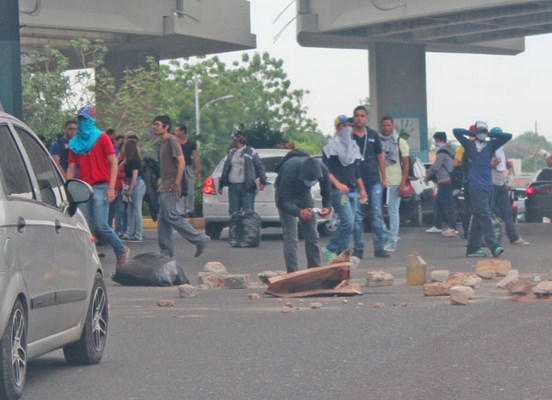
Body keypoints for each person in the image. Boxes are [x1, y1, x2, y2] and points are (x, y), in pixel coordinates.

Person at [66, 106, 129, 269]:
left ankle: (121, 250)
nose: (82, 122)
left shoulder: (102, 138)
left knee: (101, 226)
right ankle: (90, 261)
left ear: (92, 120)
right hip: (83, 189)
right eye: (80, 119)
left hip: (101, 187)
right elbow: (72, 167)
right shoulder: (74, 143)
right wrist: (68, 189)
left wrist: (111, 188)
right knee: (86, 227)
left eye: (85, 119)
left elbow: (114, 162)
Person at [153, 115, 210, 258]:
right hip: (165, 185)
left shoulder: (172, 141)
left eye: (158, 124)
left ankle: (200, 239)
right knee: (163, 220)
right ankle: (166, 254)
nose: (155, 127)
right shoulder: (163, 143)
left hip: (171, 185)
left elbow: (182, 162)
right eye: (154, 124)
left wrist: (177, 182)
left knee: (171, 216)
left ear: (166, 127)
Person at [453, 120, 512, 258]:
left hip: (488, 185)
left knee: (480, 215)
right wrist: (472, 133)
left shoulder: (490, 145)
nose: (481, 134)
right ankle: (494, 245)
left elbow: (507, 136)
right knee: (485, 215)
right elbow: (456, 131)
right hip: (475, 185)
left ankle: (472, 248)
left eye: (483, 131)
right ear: (475, 132)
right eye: (480, 131)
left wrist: (489, 133)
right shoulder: (469, 145)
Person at [322, 115, 368, 261]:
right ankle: (330, 248)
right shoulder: (330, 148)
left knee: (350, 225)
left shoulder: (354, 148)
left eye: (349, 125)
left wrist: (363, 189)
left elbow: (357, 171)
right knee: (347, 222)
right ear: (337, 127)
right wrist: (338, 184)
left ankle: (343, 256)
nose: (347, 128)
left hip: (353, 192)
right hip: (340, 194)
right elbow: (326, 171)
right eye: (344, 125)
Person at [275, 154, 332, 273]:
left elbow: (327, 192)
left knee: (312, 233)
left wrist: (327, 207)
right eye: (307, 180)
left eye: (313, 181)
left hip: (304, 195)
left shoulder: (323, 170)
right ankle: (292, 272)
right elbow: (282, 201)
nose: (309, 183)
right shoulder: (291, 169)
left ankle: (314, 269)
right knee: (291, 235)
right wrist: (299, 212)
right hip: (286, 195)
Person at [351, 105, 389, 259]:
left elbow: (380, 156)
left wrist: (384, 177)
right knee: (358, 217)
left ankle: (379, 247)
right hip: (355, 182)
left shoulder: (373, 135)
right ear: (354, 118)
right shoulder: (349, 136)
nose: (359, 118)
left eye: (362, 116)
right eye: (357, 116)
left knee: (377, 214)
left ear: (366, 118)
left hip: (373, 180)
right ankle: (358, 248)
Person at [490, 127, 529, 246]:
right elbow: (481, 166)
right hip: (490, 184)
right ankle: (488, 237)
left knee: (507, 212)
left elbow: (502, 167)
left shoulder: (501, 150)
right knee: (490, 210)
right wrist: (492, 164)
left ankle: (514, 237)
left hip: (500, 183)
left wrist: (507, 165)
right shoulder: (489, 149)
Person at [218, 130, 267, 216]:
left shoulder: (251, 151)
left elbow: (259, 166)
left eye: (233, 139)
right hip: (233, 186)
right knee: (233, 211)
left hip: (247, 186)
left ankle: (247, 229)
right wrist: (221, 184)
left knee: (248, 211)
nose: (232, 141)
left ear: (237, 140)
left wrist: (263, 180)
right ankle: (235, 229)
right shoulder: (231, 152)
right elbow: (225, 169)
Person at [379, 115, 409, 252]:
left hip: (396, 181)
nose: (386, 128)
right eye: (384, 125)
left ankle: (392, 242)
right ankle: (387, 235)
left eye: (388, 125)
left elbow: (406, 164)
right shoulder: (377, 141)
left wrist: (403, 183)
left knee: (393, 212)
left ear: (392, 126)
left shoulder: (400, 142)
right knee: (376, 213)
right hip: (379, 181)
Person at [424, 131, 457, 237]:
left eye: (436, 141)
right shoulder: (451, 150)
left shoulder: (442, 152)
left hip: (445, 181)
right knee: (439, 204)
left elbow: (436, 166)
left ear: (440, 140)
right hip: (448, 180)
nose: (435, 143)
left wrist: (427, 175)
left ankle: (452, 227)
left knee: (447, 205)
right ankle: (438, 225)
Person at [122, 139, 146, 242]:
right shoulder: (128, 159)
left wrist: (130, 189)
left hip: (137, 184)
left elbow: (135, 175)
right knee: (130, 210)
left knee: (137, 209)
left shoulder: (135, 160)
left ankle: (138, 234)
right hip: (131, 183)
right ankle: (129, 233)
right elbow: (118, 167)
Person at [175, 123, 201, 218]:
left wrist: (197, 168)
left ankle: (191, 210)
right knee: (179, 189)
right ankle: (180, 210)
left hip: (188, 168)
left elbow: (195, 156)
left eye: (177, 130)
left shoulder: (191, 143)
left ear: (182, 131)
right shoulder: (175, 142)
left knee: (190, 191)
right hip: (178, 168)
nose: (175, 132)